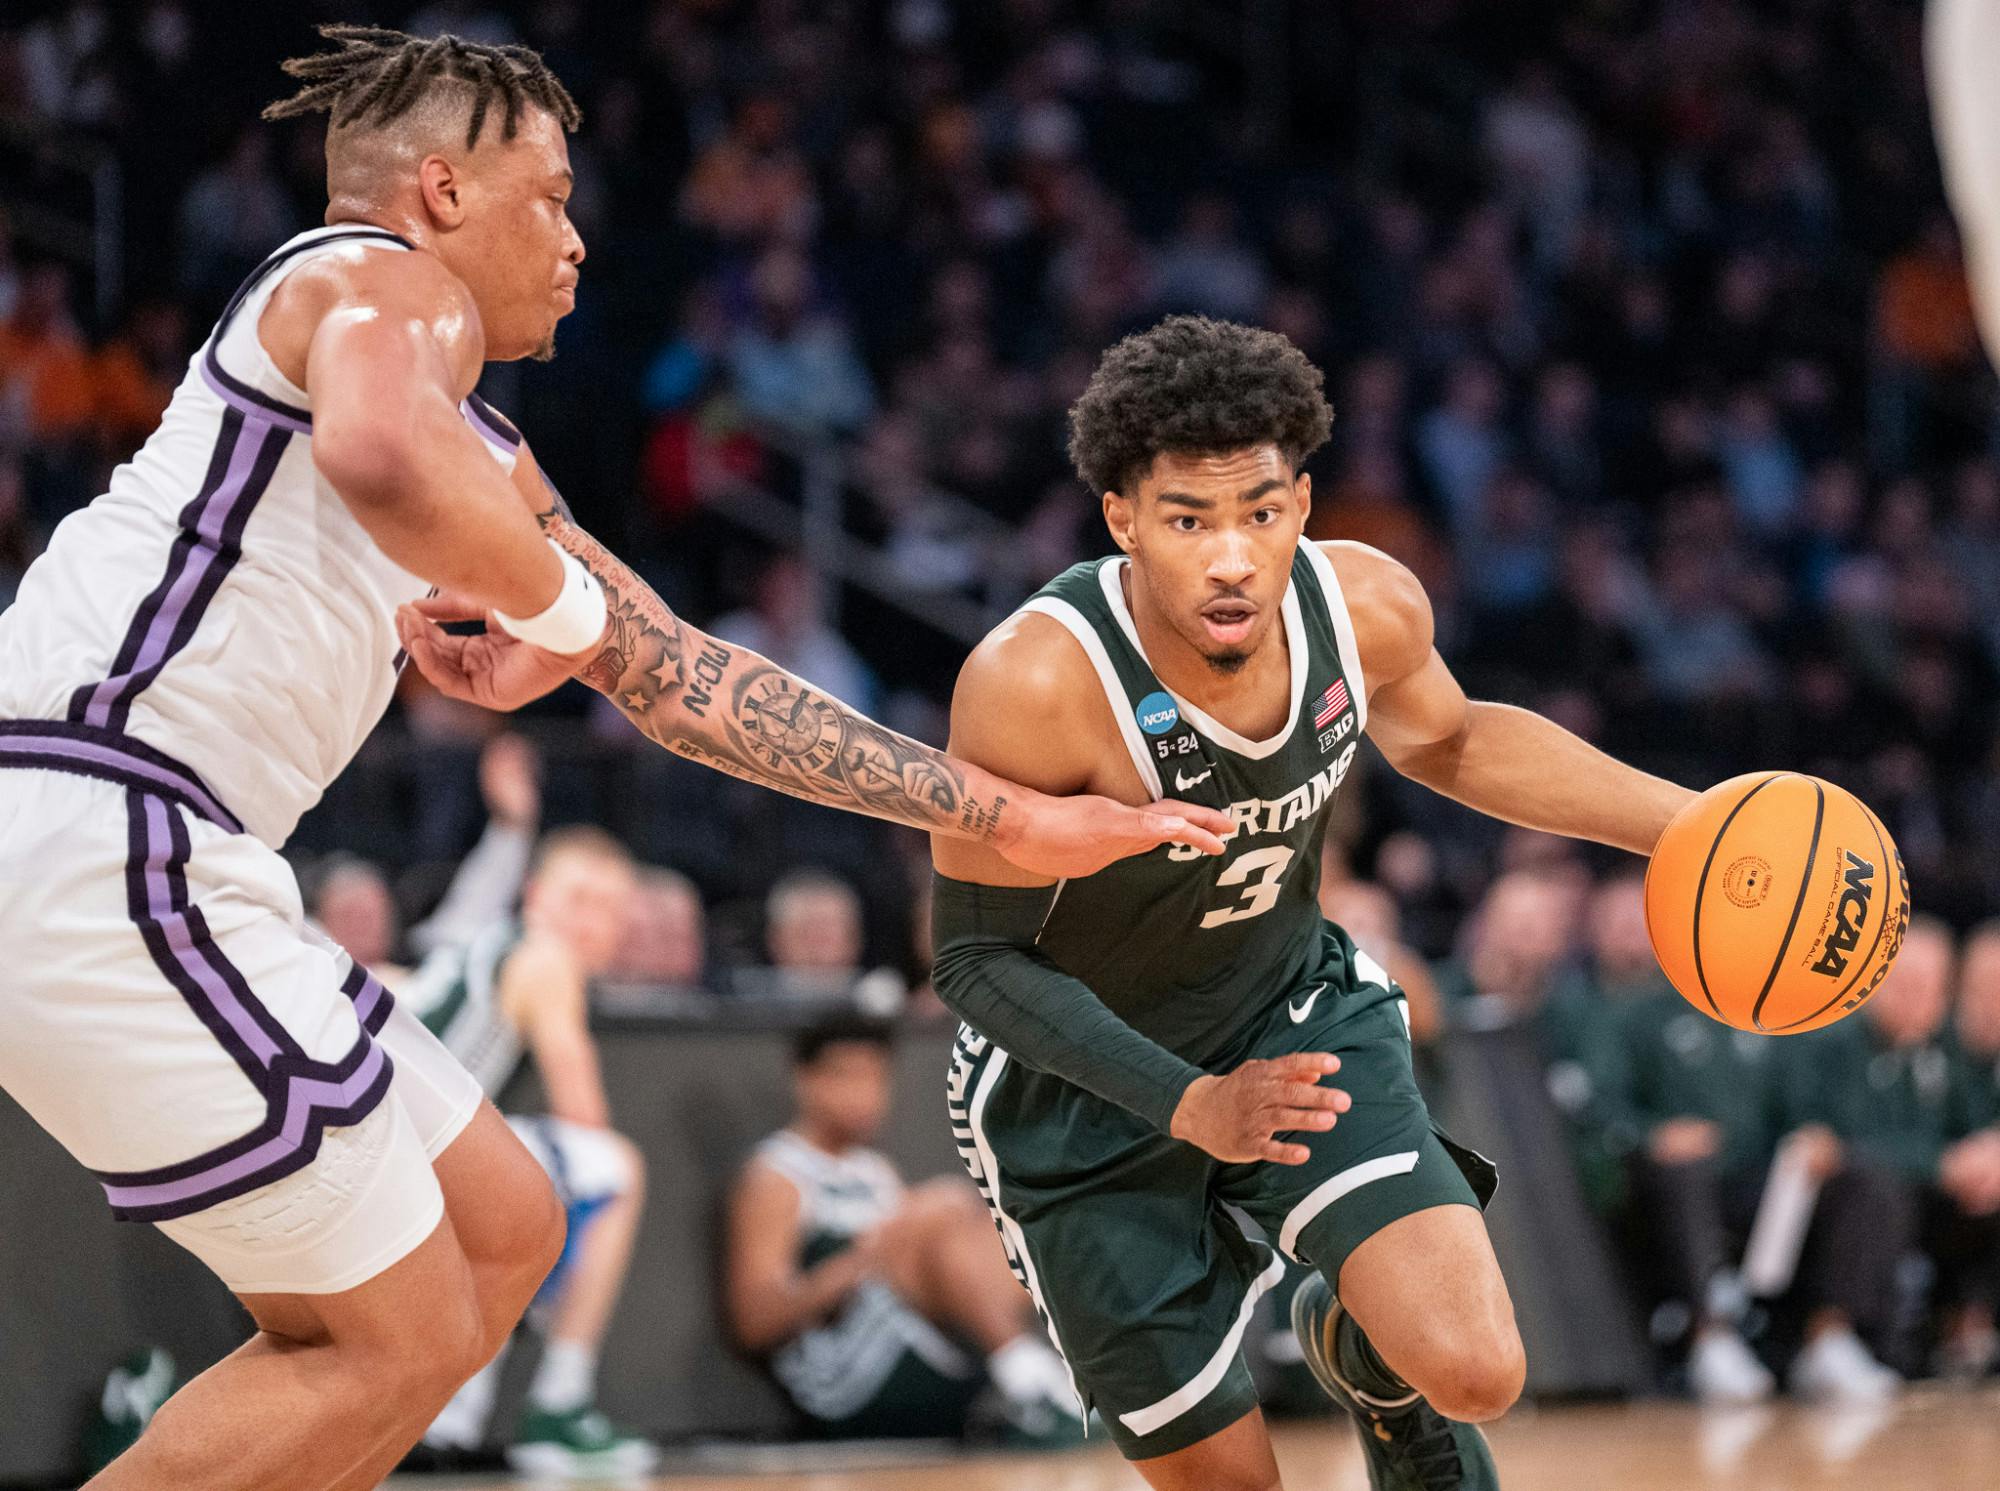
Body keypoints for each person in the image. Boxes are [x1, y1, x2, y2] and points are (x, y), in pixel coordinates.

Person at [0, 27, 1227, 1491]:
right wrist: (553, 602)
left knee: (508, 1225)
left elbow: (691, 682)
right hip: (105, 822)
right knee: (388, 1334)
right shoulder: (380, 279)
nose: (579, 243)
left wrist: (1003, 813)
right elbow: (384, 463)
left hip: (163, 845)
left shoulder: (474, 438)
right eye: (551, 197)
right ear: (443, 192)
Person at [929, 316, 1705, 1491]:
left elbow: (1452, 740)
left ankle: (1370, 1364)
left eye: (1261, 511)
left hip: (1285, 1014)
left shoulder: (1364, 606)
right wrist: (1189, 1105)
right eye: (1188, 520)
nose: (1231, 556)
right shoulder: (1033, 682)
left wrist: (1686, 827)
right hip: (1079, 1093)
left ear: (1301, 501)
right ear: (1122, 519)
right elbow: (975, 966)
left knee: (1476, 1373)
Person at [406, 827, 656, 1475]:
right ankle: (559, 1402)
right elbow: (585, 1116)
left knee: (521, 1179)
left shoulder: (481, 941)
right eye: (580, 898)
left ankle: (453, 1411)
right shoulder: (547, 959)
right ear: (537, 895)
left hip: (376, 1145)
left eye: (609, 908)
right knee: (613, 1168)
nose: (592, 922)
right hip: (403, 1152)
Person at [724, 1014, 1082, 1444]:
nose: (865, 1096)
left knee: (987, 1228)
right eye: (848, 1078)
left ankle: (1031, 1380)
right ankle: (1029, 1381)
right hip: (840, 1382)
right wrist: (861, 1260)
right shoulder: (777, 1177)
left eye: (877, 1079)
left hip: (916, 1354)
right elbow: (754, 1323)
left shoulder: (873, 1170)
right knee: (941, 1209)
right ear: (806, 1080)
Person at [1768, 918, 2000, 1398]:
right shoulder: (1832, 1042)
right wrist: (1940, 1162)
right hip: (1834, 1199)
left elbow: (1970, 1130)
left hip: (1928, 1202)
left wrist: (1984, 1155)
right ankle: (1830, 1337)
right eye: (1906, 985)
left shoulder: (1950, 1053)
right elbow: (1839, 1142)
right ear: (1873, 981)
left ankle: (1968, 1330)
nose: (1919, 1000)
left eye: (1932, 988)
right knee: (1873, 1185)